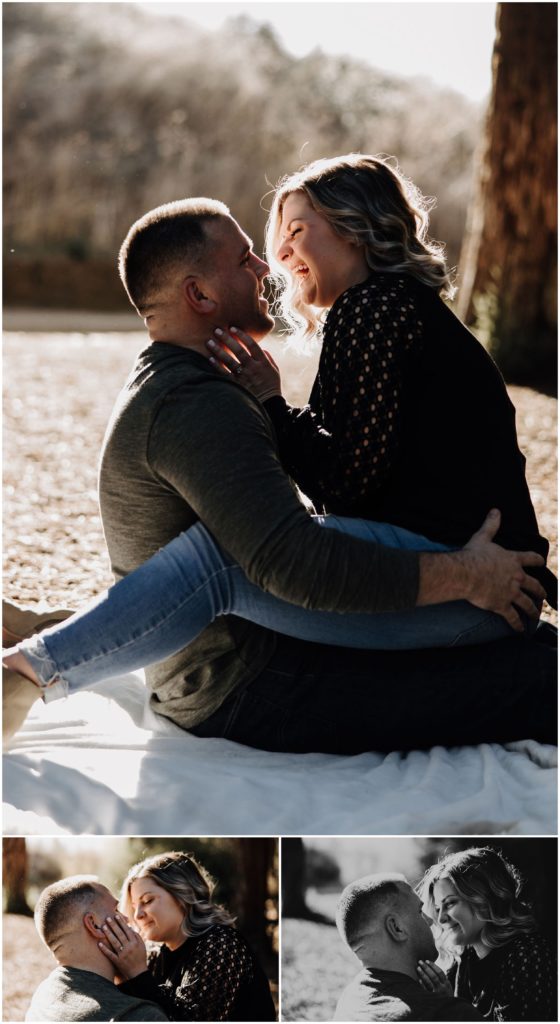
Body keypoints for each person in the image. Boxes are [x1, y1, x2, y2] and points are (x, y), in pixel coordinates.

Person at [3, 196, 555, 756]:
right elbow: (290, 562)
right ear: (200, 295)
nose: (267, 267)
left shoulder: (182, 381)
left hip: (255, 650)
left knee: (533, 657)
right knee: (535, 680)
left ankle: (40, 644)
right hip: (246, 684)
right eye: (245, 260)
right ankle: (25, 672)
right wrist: (466, 576)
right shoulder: (196, 405)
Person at [97, 851, 276, 1022]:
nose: (137, 915)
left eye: (147, 901)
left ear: (182, 895)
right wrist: (124, 979)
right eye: (135, 905)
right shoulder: (154, 956)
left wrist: (137, 973)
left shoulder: (221, 943)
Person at [417, 847, 557, 1021]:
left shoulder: (528, 954)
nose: (441, 918)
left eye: (450, 903)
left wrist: (450, 1007)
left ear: (483, 897)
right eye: (437, 908)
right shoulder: (462, 961)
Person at [333, 872, 482, 1020]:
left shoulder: (348, 1001)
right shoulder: (446, 1013)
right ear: (397, 928)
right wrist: (449, 1007)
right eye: (419, 911)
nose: (430, 921)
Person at [25, 876, 168, 1022]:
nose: (126, 919)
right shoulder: (137, 1016)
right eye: (116, 910)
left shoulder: (43, 995)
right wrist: (139, 976)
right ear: (93, 924)